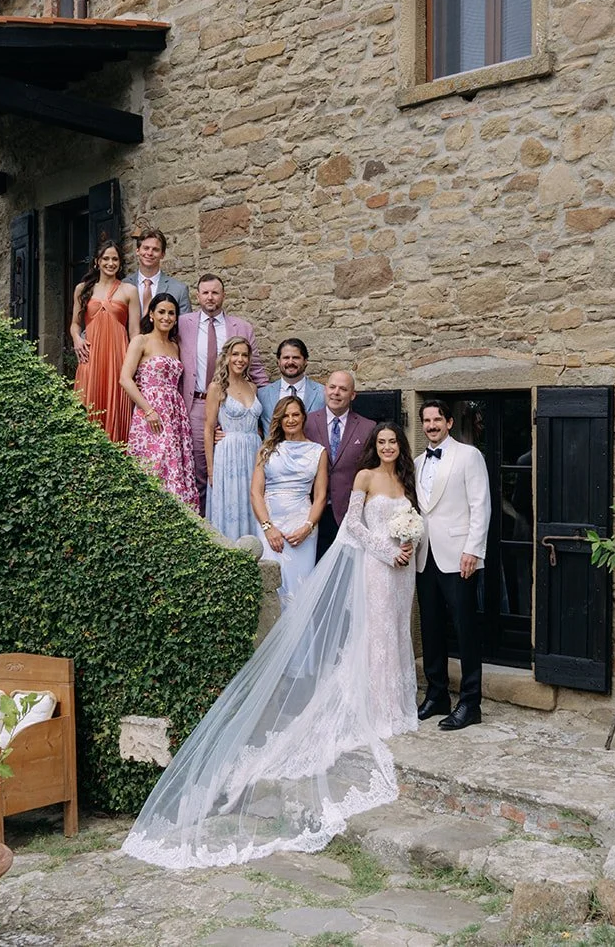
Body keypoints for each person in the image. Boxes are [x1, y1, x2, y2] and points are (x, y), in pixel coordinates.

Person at [120, 423, 426, 869]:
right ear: (374, 447)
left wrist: (408, 544)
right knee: (376, 636)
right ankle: (377, 708)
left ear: (400, 445)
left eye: (392, 442)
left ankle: (400, 706)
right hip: (378, 567)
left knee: (398, 634)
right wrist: (386, 549)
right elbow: (354, 527)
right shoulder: (363, 479)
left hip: (404, 572)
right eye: (380, 442)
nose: (386, 447)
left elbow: (414, 522)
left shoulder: (404, 478)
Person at [413, 398, 491, 732]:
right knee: (430, 628)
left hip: (460, 556)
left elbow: (480, 505)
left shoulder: (469, 455)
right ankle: (437, 694)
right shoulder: (416, 462)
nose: (431, 425)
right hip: (424, 556)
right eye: (426, 420)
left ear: (448, 422)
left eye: (436, 420)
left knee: (465, 629)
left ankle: (471, 702)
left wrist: (472, 550)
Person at [179, 274, 267, 512]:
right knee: (201, 471)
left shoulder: (242, 327)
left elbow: (257, 370)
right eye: (205, 292)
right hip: (197, 403)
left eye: (215, 292)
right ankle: (206, 528)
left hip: (234, 405)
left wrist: (263, 417)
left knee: (240, 473)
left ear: (223, 296)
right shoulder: (182, 323)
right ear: (197, 296)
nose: (210, 297)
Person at [121, 292, 200, 508]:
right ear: (152, 315)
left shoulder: (175, 346)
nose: (166, 317)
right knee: (154, 464)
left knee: (174, 464)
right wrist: (148, 410)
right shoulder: (141, 341)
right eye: (162, 312)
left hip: (175, 412)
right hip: (150, 412)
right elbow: (125, 379)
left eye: (171, 313)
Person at [249, 395, 326, 610]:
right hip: (270, 524)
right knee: (271, 586)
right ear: (279, 420)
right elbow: (256, 492)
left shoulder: (318, 452)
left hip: (303, 526)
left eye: (295, 415)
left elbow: (319, 497)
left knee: (300, 591)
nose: (290, 420)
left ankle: (300, 643)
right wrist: (268, 527)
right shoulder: (266, 451)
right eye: (285, 416)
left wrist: (307, 528)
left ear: (303, 418)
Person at [69, 241, 140, 445]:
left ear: (120, 262)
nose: (110, 263)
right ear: (97, 262)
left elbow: (135, 331)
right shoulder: (83, 289)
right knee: (88, 405)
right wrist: (76, 339)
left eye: (115, 259)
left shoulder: (129, 291)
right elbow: (75, 324)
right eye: (106, 259)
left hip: (118, 357)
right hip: (90, 355)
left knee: (117, 406)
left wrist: (133, 364)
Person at [304, 370, 375, 558]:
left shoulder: (368, 428)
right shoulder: (306, 423)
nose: (336, 392)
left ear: (352, 395)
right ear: (325, 389)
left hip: (348, 513)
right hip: (312, 511)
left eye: (343, 389)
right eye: (332, 387)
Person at [203, 336, 263, 543]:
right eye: (235, 354)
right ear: (227, 357)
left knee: (253, 501)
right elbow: (209, 429)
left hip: (253, 453)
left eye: (244, 355)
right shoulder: (217, 388)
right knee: (231, 503)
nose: (240, 359)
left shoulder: (252, 387)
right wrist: (211, 470)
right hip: (228, 456)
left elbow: (256, 426)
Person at [257, 339, 326, 428]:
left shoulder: (322, 393)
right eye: (286, 358)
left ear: (305, 361)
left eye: (296, 358)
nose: (290, 362)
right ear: (278, 361)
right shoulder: (262, 394)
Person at [129, 226, 191, 315]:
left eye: (155, 249)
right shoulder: (124, 284)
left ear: (162, 254)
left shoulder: (179, 289)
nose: (149, 253)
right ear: (137, 251)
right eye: (146, 248)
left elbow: (185, 326)